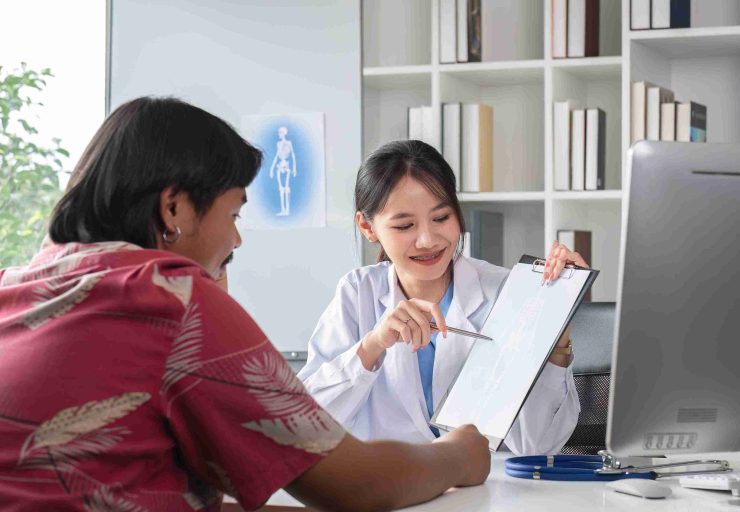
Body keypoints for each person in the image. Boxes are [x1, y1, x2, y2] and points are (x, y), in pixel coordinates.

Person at [0, 98, 490, 512]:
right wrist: (459, 456)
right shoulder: (173, 300)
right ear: (173, 208)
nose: (236, 239)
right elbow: (350, 482)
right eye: (233, 213)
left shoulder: (13, 286)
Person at [299, 140, 586, 453]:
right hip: (389, 480)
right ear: (368, 227)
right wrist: (373, 345)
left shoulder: (505, 290)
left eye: (441, 218)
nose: (427, 240)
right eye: (405, 225)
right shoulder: (357, 293)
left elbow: (538, 444)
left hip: (485, 481)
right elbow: (305, 428)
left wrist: (556, 335)